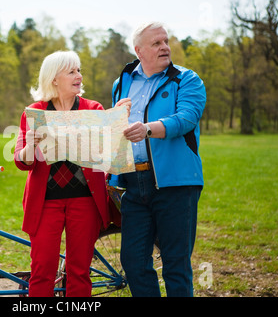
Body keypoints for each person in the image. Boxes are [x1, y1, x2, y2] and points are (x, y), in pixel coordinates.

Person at [14, 50, 130, 297]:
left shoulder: (93, 108)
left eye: (79, 70)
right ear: (54, 79)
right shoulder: (35, 111)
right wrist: (30, 146)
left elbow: (109, 155)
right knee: (42, 270)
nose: (79, 75)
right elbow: (22, 162)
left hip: (85, 201)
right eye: (71, 71)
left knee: (79, 271)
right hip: (44, 203)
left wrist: (117, 121)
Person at [109, 22, 206, 297]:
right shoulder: (122, 82)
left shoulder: (186, 79)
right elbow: (116, 128)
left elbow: (186, 119)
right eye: (156, 43)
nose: (165, 47)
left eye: (166, 41)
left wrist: (148, 128)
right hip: (132, 183)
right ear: (139, 50)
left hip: (175, 183)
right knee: (134, 261)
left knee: (175, 263)